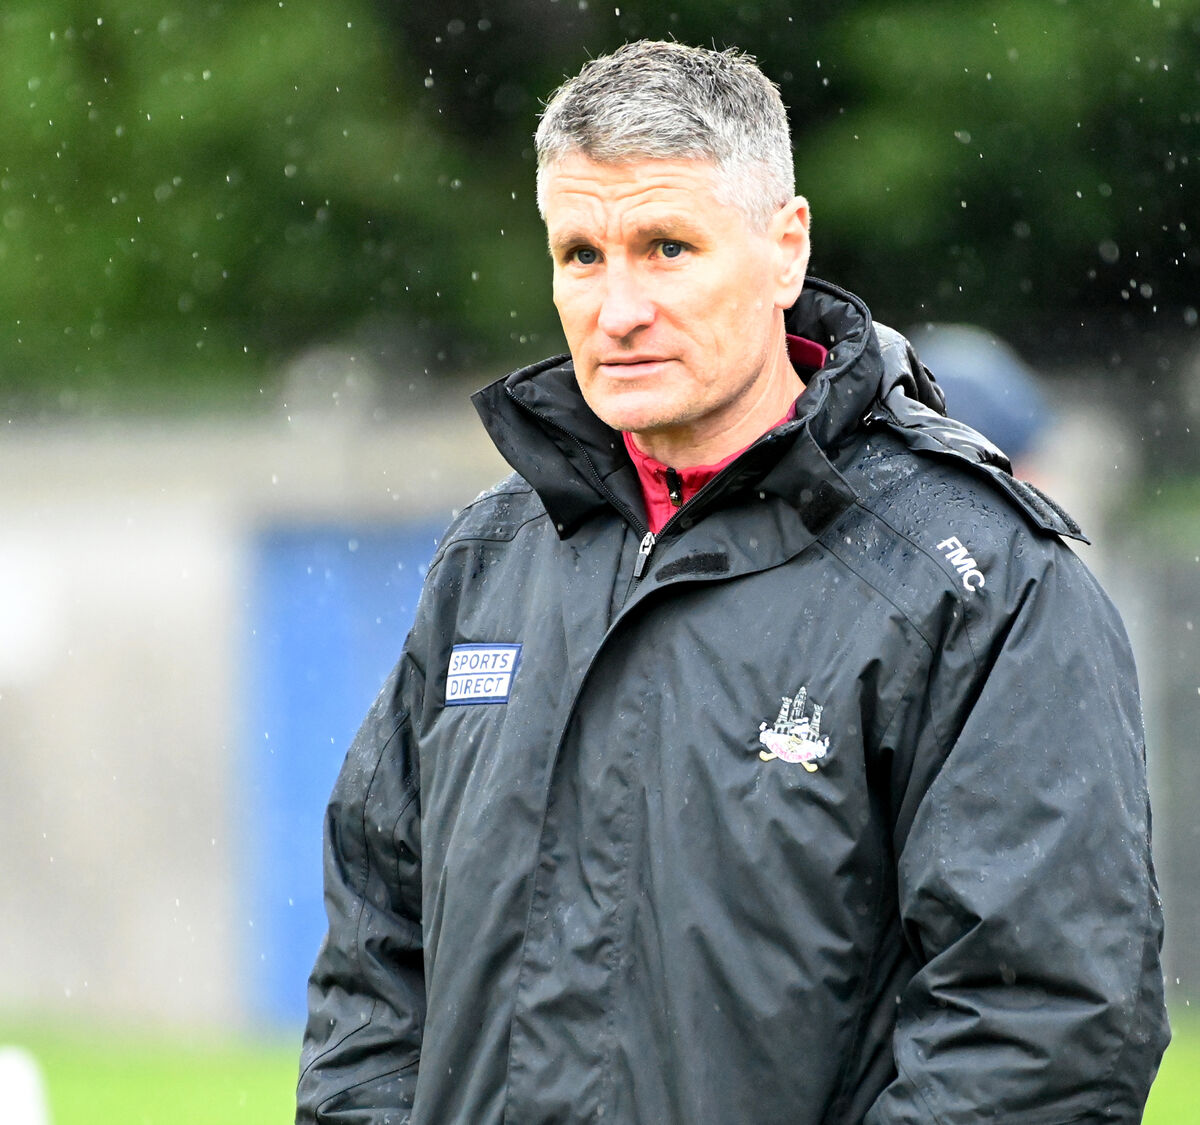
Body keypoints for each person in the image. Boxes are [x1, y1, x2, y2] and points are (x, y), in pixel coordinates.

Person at [296, 40, 1169, 1124]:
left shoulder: (978, 586)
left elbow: (1046, 1028)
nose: (617, 309)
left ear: (784, 248)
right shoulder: (490, 561)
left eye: (667, 248)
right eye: (580, 254)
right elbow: (375, 962)